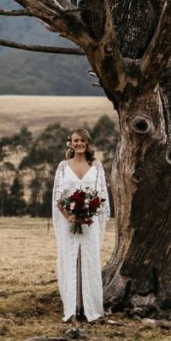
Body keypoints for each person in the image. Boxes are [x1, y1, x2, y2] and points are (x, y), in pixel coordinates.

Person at [52, 127, 109, 323]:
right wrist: (68, 216)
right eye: (75, 140)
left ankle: (90, 308)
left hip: (89, 222)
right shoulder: (62, 166)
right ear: (70, 143)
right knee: (70, 260)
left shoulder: (96, 166)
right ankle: (72, 308)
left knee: (89, 260)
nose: (79, 144)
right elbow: (58, 196)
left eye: (82, 141)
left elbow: (101, 196)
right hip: (69, 222)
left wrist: (89, 213)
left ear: (87, 144)